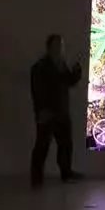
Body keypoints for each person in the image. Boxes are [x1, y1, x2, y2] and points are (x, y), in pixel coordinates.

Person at [30, 34, 83, 187]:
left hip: (62, 111)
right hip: (47, 113)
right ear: (49, 47)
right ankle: (36, 178)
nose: (60, 49)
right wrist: (41, 110)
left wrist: (76, 72)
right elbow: (37, 91)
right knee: (42, 145)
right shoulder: (40, 67)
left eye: (61, 46)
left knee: (65, 144)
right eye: (57, 45)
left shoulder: (61, 64)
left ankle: (66, 173)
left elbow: (68, 81)